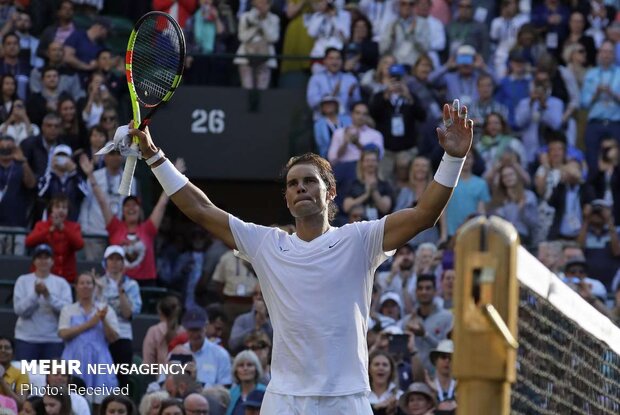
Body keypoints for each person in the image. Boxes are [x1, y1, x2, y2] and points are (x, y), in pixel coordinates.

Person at [128, 96, 473, 412]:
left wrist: (453, 158)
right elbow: (202, 209)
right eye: (292, 184)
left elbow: (423, 215)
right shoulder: (266, 244)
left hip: (346, 398)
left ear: (330, 193)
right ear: (287, 199)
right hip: (283, 399)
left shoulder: (360, 239)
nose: (300, 188)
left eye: (309, 181)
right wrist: (154, 156)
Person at [58, 272, 119, 406]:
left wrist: (103, 321)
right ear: (76, 287)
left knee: (101, 402)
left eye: (89, 283)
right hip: (74, 358)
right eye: (82, 283)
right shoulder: (68, 310)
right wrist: (89, 324)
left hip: (99, 359)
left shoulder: (105, 309)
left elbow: (113, 337)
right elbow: (63, 334)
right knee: (70, 400)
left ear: (94, 286)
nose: (85, 286)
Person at [13, 244, 72, 361]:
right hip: (26, 339)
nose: (43, 261)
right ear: (34, 261)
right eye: (40, 257)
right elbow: (19, 310)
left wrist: (48, 296)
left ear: (52, 261)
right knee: (26, 377)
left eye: (46, 257)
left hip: (53, 340)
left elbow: (68, 311)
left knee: (53, 378)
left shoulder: (61, 283)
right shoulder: (23, 280)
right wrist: (35, 294)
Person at [97, 245, 143, 388]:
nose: (115, 263)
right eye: (111, 259)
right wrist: (98, 290)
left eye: (119, 259)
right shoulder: (96, 283)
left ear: (123, 263)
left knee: (121, 380)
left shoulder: (131, 285)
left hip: (122, 336)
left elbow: (129, 314)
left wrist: (121, 293)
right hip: (100, 336)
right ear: (105, 262)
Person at [25, 194, 84, 282]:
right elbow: (29, 242)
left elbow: (79, 244)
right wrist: (49, 230)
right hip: (44, 275)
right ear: (51, 210)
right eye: (57, 207)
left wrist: (63, 229)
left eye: (64, 208)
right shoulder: (41, 225)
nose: (61, 210)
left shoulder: (74, 227)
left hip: (67, 277)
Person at [179, 308, 232, 387]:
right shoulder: (177, 353)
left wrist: (196, 383)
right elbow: (162, 381)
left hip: (210, 397)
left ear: (205, 327)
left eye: (198, 330)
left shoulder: (220, 354)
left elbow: (225, 388)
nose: (195, 334)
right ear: (185, 329)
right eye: (191, 330)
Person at [234, 0, 280, 90]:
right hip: (246, 58)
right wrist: (255, 27)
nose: (261, 5)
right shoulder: (245, 17)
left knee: (262, 90)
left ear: (269, 5)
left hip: (265, 59)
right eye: (258, 2)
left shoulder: (274, 19)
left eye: (264, 3)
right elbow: (242, 37)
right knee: (247, 89)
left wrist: (262, 24)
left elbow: (273, 38)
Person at [229, 285, 272, 354]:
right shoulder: (242, 319)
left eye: (262, 294)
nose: (258, 297)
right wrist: (255, 328)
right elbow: (233, 343)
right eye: (255, 294)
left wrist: (264, 322)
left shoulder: (276, 321)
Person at [143, 296, 185, 365]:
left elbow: (148, 364)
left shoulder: (153, 331)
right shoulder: (186, 332)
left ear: (160, 313)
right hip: (183, 375)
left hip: (161, 374)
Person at [226, 350, 267, 415]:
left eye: (249, 365)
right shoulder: (230, 394)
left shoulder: (266, 392)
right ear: (235, 370)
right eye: (241, 365)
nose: (245, 368)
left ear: (256, 369)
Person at [368, 350, 402, 415]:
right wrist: (375, 408)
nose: (381, 368)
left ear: (391, 370)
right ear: (369, 369)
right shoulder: (362, 396)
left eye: (385, 365)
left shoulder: (400, 396)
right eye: (376, 364)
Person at [0, 337, 28, 408]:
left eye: (7, 348)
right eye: (0, 347)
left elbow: (21, 404)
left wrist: (2, 381)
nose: (3, 350)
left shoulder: (22, 374)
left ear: (13, 354)